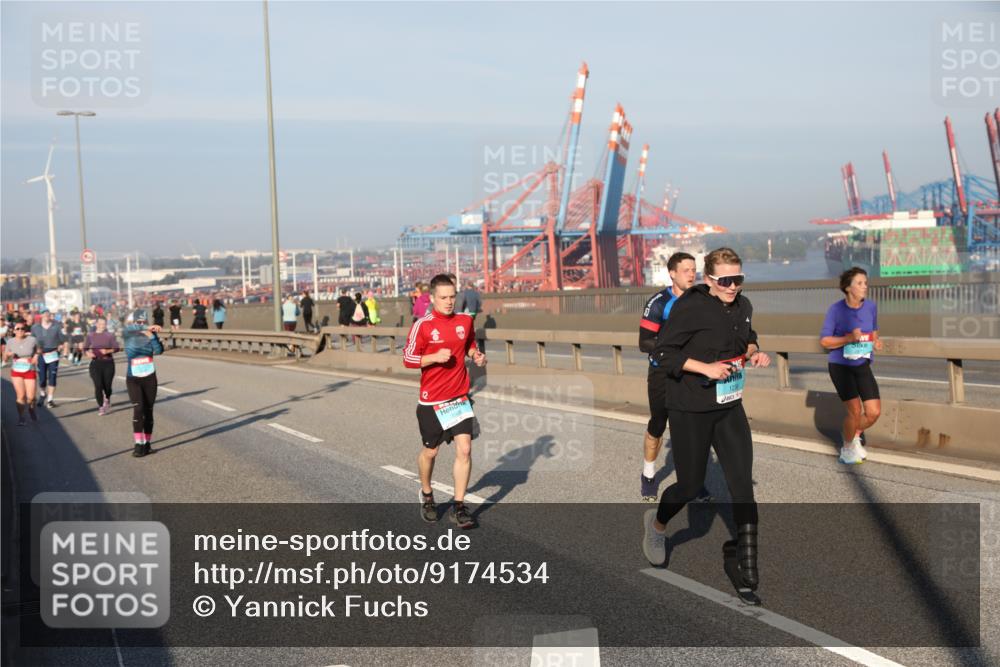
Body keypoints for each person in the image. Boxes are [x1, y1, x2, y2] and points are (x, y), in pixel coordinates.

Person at [643, 247, 771, 606]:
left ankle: (743, 566)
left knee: (742, 484)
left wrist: (754, 351)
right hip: (690, 407)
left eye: (738, 279)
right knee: (689, 485)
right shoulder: (691, 307)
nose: (733, 286)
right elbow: (662, 353)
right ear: (709, 280)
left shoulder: (743, 306)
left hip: (729, 406)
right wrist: (705, 368)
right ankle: (657, 526)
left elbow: (744, 338)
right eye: (725, 280)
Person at [403, 274, 487, 529]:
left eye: (452, 297)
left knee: (465, 450)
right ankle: (427, 494)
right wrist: (433, 358)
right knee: (431, 452)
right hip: (431, 401)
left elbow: (469, 344)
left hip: (458, 397)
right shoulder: (423, 325)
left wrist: (476, 354)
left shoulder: (464, 320)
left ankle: (458, 506)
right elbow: (407, 359)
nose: (449, 302)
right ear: (432, 298)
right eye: (443, 298)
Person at [638, 252, 711, 503]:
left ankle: (691, 484)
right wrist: (673, 350)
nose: (692, 274)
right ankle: (648, 475)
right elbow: (644, 342)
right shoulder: (659, 302)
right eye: (686, 270)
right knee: (658, 423)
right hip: (662, 371)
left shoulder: (702, 299)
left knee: (689, 429)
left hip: (691, 371)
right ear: (672, 273)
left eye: (694, 269)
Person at [820, 267, 883, 465]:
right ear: (848, 288)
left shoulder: (871, 307)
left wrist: (876, 341)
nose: (865, 287)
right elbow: (825, 342)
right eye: (859, 283)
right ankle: (847, 448)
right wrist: (848, 338)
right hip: (841, 366)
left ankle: (853, 435)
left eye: (865, 283)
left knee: (873, 412)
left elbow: (873, 331)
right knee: (854, 411)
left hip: (862, 365)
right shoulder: (836, 310)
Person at [124, 309, 164, 457]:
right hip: (133, 378)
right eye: (138, 322)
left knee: (148, 410)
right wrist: (145, 329)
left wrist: (153, 337)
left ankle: (147, 444)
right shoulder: (129, 333)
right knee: (138, 409)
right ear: (134, 322)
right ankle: (138, 444)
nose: (141, 324)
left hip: (149, 377)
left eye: (143, 322)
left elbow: (159, 351)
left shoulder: (150, 334)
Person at [4, 320, 39, 425]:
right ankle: (21, 417)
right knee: (21, 396)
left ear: (25, 330)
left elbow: (39, 349)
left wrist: (36, 356)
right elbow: (5, 358)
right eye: (17, 329)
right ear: (14, 331)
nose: (20, 331)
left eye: (22, 329)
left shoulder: (32, 340)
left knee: (31, 397)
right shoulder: (10, 341)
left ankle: (31, 409)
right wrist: (9, 354)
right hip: (17, 370)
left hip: (29, 369)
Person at [30, 309, 67, 408]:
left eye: (48, 314)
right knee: (42, 378)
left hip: (53, 354)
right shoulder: (35, 327)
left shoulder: (56, 326)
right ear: (41, 315)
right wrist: (34, 352)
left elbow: (63, 339)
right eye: (44, 314)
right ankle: (43, 393)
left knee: (52, 377)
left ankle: (50, 400)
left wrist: (61, 345)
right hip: (41, 355)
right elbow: (32, 341)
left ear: (50, 315)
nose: (46, 315)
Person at [84, 316, 119, 415]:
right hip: (96, 363)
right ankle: (101, 407)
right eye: (100, 324)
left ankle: (107, 398)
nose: (102, 326)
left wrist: (107, 350)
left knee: (107, 386)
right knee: (98, 385)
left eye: (104, 324)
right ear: (96, 324)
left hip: (108, 363)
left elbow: (116, 348)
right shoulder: (91, 335)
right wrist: (87, 353)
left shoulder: (109, 335)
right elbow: (85, 348)